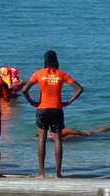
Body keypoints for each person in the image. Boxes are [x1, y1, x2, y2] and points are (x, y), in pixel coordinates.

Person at [22, 50, 84, 178]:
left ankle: (42, 173)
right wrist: (68, 102)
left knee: (41, 140)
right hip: (57, 109)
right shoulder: (62, 74)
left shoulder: (38, 74)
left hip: (42, 109)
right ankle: (58, 173)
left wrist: (33, 102)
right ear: (56, 60)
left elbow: (24, 90)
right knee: (58, 140)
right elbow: (79, 89)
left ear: (45, 60)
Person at [44, 122, 110, 140]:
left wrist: (83, 133)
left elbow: (69, 130)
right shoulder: (51, 137)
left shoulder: (52, 136)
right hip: (77, 137)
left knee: (95, 132)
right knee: (95, 131)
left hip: (81, 136)